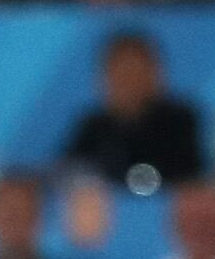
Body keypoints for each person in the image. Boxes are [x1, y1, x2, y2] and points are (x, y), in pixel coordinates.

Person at [60, 29, 206, 191]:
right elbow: (70, 175)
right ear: (105, 77)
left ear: (156, 74)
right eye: (122, 72)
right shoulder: (93, 126)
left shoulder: (180, 121)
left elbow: (191, 180)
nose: (130, 81)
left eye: (137, 70)